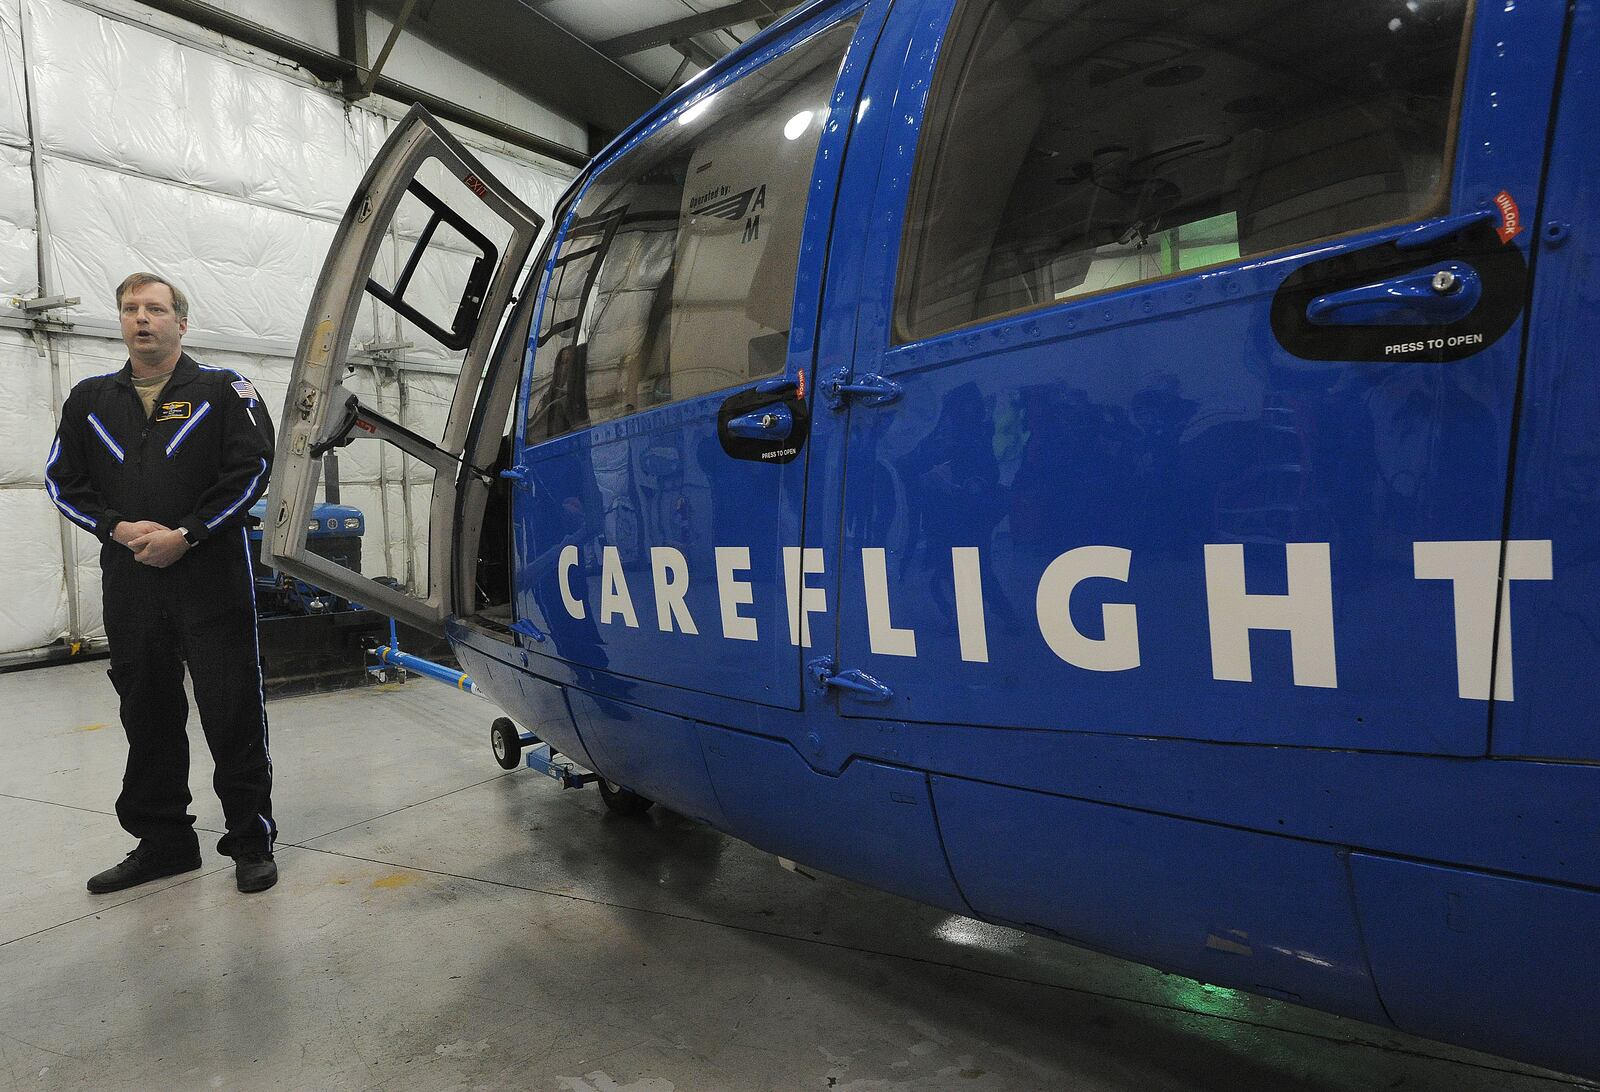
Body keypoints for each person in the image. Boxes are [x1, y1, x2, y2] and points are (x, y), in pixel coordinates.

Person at [44, 272, 279, 894]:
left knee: (231, 707)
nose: (141, 319)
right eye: (129, 309)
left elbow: (252, 470)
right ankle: (164, 842)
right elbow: (63, 482)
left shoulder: (225, 391)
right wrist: (117, 529)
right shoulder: (90, 400)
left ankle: (251, 839)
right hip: (131, 579)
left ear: (181, 321)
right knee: (145, 708)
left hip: (210, 576)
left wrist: (190, 533)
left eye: (154, 309)